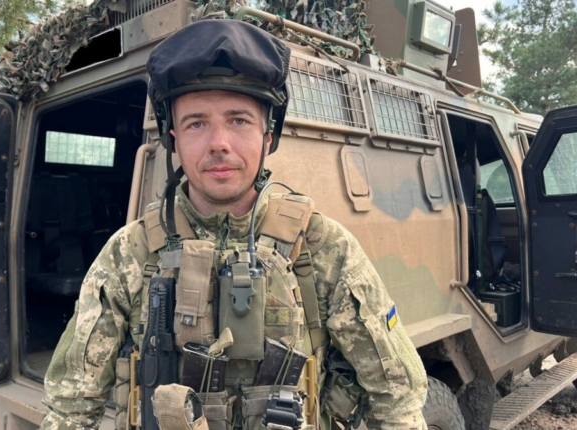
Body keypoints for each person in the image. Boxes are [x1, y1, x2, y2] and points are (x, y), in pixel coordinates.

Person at [40, 19, 428, 430]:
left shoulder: (322, 247)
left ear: (268, 136)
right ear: (173, 138)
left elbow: (398, 403)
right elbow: (69, 409)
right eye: (196, 123)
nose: (219, 143)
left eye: (239, 120)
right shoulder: (130, 254)